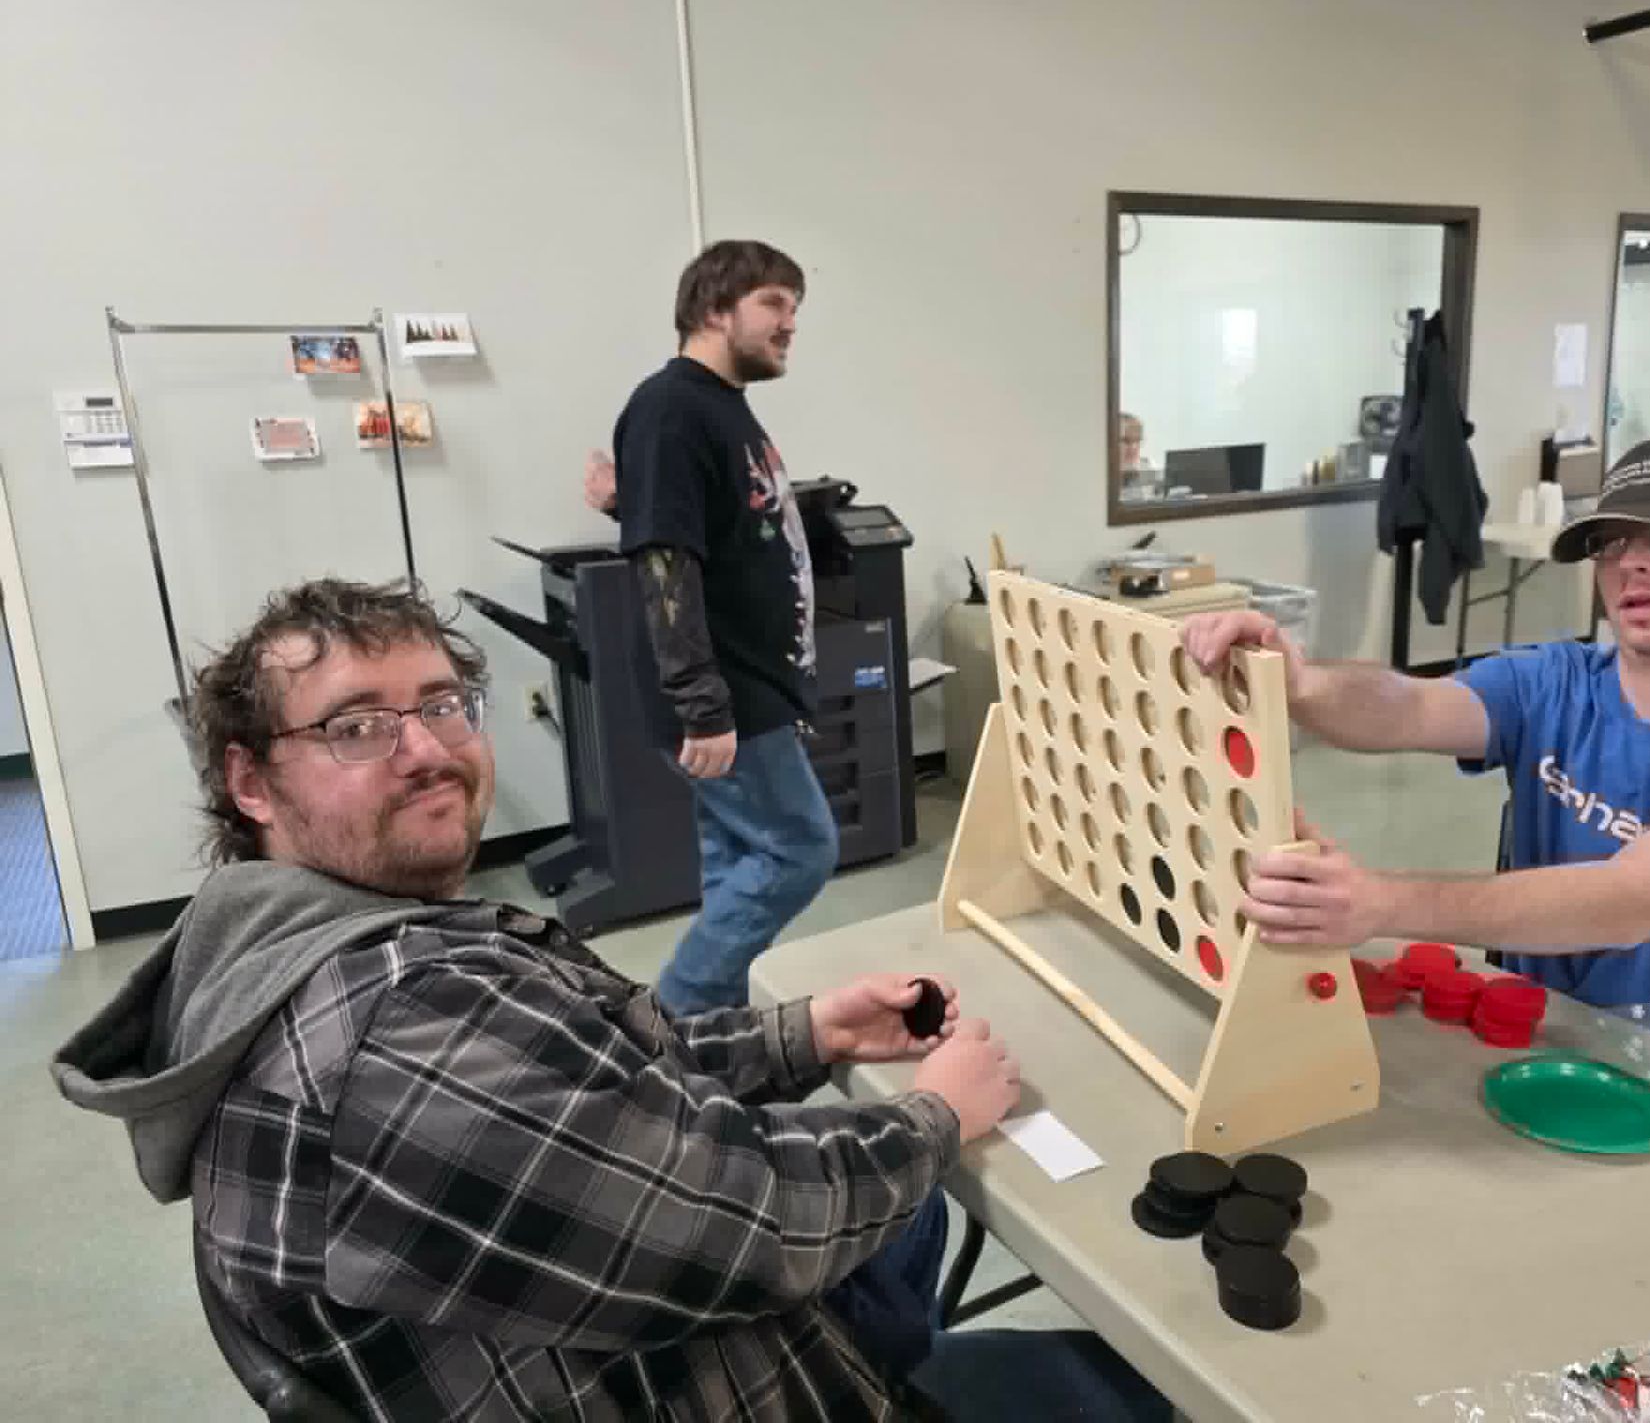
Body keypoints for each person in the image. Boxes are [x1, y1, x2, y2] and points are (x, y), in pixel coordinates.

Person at [52, 579, 1168, 1421]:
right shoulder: (397, 1029)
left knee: (908, 1211)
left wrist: (807, 1030)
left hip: (601, 1333)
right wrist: (935, 1113)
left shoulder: (305, 943)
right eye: (355, 726)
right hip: (707, 1378)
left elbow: (584, 1076)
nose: (426, 749)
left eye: (443, 703)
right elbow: (743, 1222)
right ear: (251, 782)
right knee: (1128, 1384)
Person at [1183, 435, 1650, 1120]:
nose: (1632, 564)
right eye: (1610, 543)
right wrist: (1300, 683)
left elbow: (1630, 900)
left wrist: (1378, 902)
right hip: (1570, 1070)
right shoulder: (1557, 682)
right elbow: (1409, 707)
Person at [585, 239, 837, 1016]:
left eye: (795, 306)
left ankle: (718, 1032)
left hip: (751, 683)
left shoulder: (720, 408)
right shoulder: (672, 406)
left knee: (738, 861)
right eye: (773, 303)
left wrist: (624, 502)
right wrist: (704, 703)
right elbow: (666, 560)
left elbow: (699, 524)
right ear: (713, 309)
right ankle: (673, 1024)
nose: (790, 323)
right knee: (801, 848)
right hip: (727, 691)